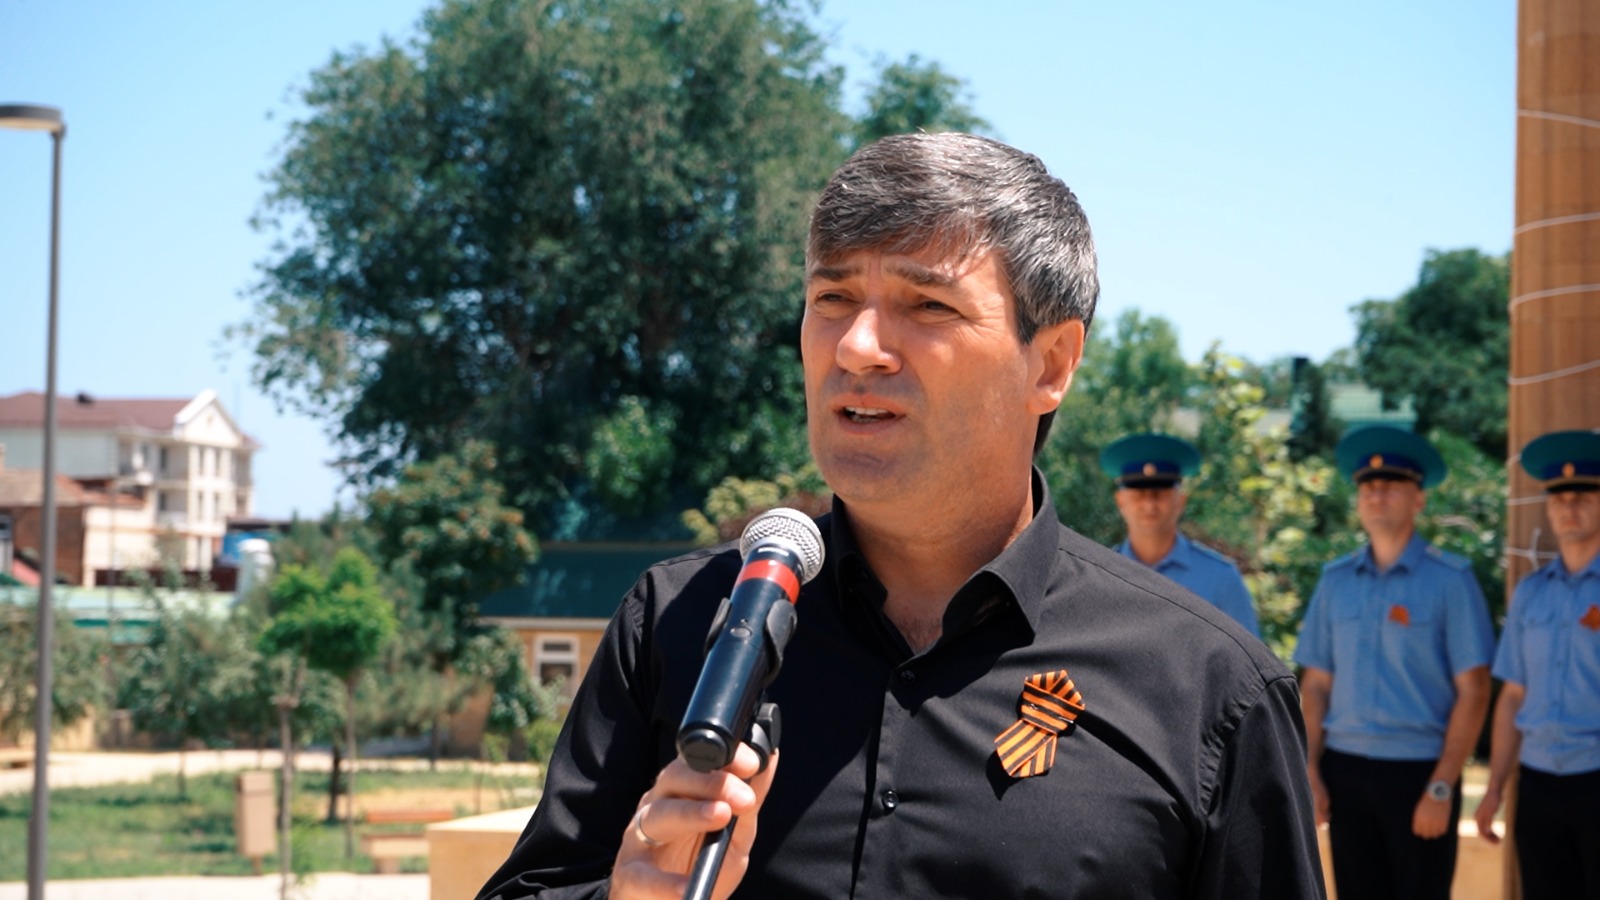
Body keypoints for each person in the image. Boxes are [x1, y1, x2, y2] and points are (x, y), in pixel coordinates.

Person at [477, 132, 1324, 900]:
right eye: (832, 297)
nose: (856, 346)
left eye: (928, 306)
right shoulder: (680, 622)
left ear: (1052, 364)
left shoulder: (1211, 691)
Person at [1294, 424, 1494, 900]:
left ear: (1419, 498)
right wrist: (1310, 771)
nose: (1376, 495)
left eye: (1391, 485)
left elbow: (1474, 690)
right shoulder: (1336, 581)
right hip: (1344, 774)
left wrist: (1442, 786)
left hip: (1418, 774)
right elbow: (1316, 685)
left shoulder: (1451, 581)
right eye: (1367, 487)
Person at [1474, 429, 1600, 899]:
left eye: (1583, 496)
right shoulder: (1530, 592)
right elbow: (1513, 696)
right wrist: (1494, 787)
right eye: (1559, 497)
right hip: (1539, 783)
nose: (1569, 507)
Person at [1101, 432, 1260, 638]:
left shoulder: (1221, 579)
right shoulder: (1100, 578)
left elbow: (1248, 657)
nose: (1149, 504)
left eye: (1160, 493)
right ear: (1120, 501)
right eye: (1138, 493)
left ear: (1181, 501)